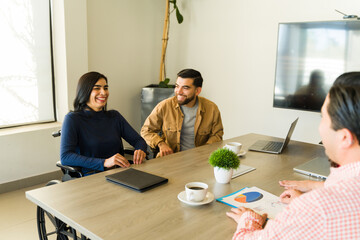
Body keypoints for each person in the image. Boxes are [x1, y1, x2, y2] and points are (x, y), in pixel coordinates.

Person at [226, 72, 360, 239]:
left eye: (323, 118)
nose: (320, 127)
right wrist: (308, 194)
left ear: (345, 138)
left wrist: (249, 219)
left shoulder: (318, 208)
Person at [60, 71, 147, 175]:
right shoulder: (72, 119)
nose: (104, 92)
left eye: (105, 88)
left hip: (119, 172)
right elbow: (66, 157)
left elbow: (138, 140)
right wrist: (104, 162)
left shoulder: (114, 116)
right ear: (85, 91)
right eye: (97, 88)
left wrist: (140, 150)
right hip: (91, 176)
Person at [141, 68, 224, 157]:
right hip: (171, 160)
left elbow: (217, 134)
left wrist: (204, 151)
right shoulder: (164, 106)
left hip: (201, 160)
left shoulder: (211, 108)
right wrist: (161, 144)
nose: (179, 92)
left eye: (185, 88)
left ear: (197, 91)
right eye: (177, 86)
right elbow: (146, 130)